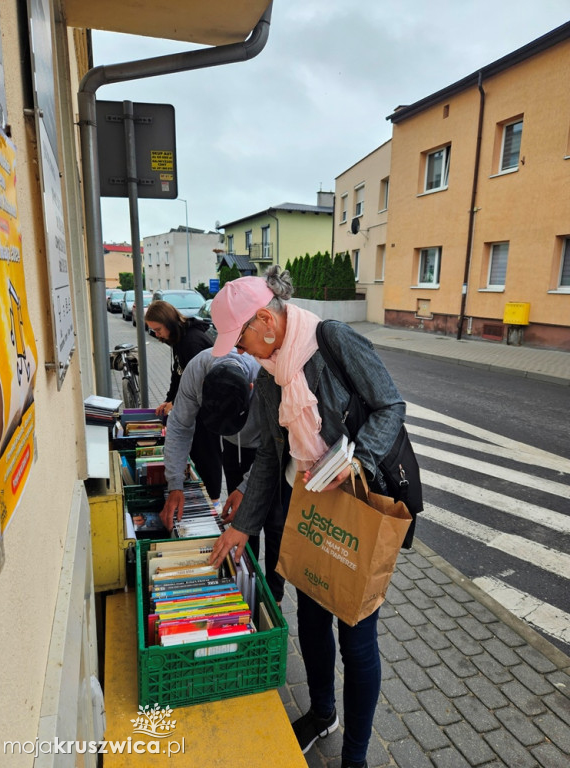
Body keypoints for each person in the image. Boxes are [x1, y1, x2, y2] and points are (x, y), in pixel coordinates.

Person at [208, 266, 406, 768]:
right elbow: (274, 457)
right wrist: (241, 527)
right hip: (309, 506)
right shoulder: (274, 372)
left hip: (357, 504)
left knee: (356, 637)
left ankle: (355, 757)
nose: (241, 350)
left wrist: (358, 461)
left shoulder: (330, 339)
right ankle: (322, 713)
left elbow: (390, 406)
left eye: (241, 338)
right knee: (312, 620)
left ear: (265, 322)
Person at [161, 348, 285, 603]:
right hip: (231, 449)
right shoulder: (197, 370)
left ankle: (274, 596)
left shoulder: (267, 375)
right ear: (203, 387)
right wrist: (175, 484)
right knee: (240, 520)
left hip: (269, 448)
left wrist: (246, 489)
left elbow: (275, 445)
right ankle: (246, 579)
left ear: (251, 388)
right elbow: (179, 426)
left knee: (274, 522)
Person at [145, 300, 223, 506]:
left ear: (169, 322)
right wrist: (170, 399)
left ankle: (214, 500)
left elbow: (195, 382)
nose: (156, 335)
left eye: (158, 329)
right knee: (197, 450)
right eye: (153, 330)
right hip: (194, 406)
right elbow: (178, 373)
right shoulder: (179, 340)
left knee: (207, 452)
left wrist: (177, 403)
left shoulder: (192, 342)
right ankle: (206, 493)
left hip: (206, 409)